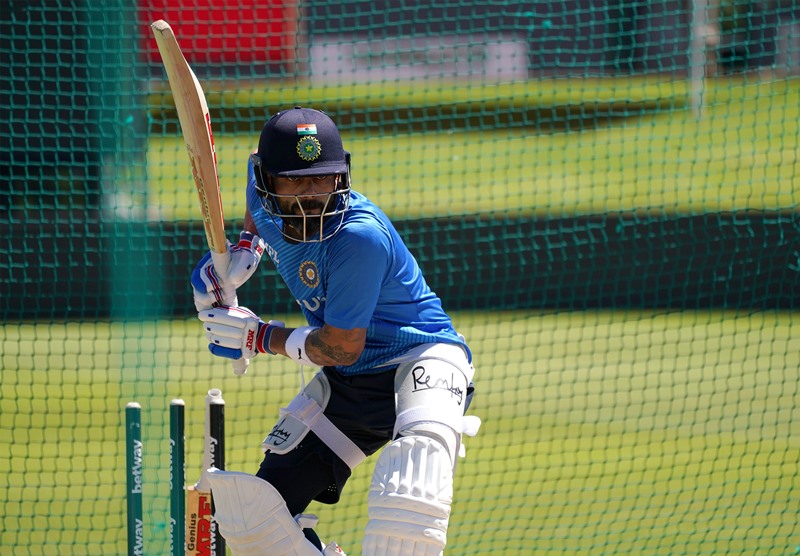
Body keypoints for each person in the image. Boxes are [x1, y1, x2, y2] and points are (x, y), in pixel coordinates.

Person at [191, 107, 480, 555]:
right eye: (295, 180)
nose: (311, 195)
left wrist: (258, 336)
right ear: (270, 181)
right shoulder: (264, 195)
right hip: (353, 384)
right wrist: (246, 248)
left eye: (322, 179)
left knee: (407, 497)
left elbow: (342, 347)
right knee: (254, 524)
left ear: (340, 175)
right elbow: (255, 165)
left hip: (419, 358)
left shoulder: (357, 237)